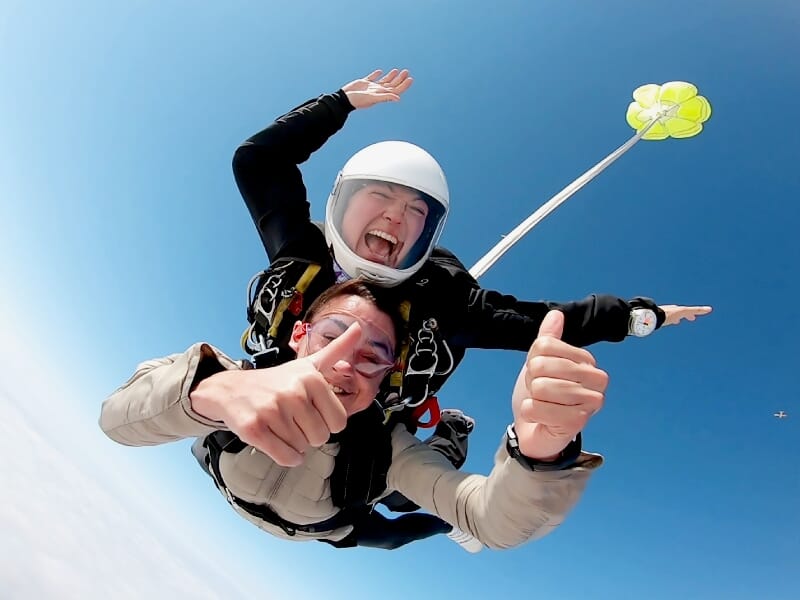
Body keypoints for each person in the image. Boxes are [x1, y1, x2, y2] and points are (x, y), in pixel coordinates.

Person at [229, 68, 711, 548]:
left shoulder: (445, 308)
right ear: (341, 201)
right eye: (380, 194)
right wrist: (337, 104)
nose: (395, 215)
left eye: (416, 212)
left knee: (401, 510)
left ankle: (451, 437)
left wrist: (639, 316)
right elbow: (258, 160)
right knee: (385, 525)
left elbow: (544, 324)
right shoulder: (301, 257)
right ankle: (442, 469)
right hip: (277, 475)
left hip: (359, 455)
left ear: (427, 236)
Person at [100, 279, 608, 550]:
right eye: (333, 335)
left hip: (329, 526)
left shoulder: (386, 449)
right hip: (241, 486)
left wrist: (541, 454)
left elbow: (491, 521)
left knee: (407, 528)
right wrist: (210, 392)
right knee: (394, 528)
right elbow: (117, 419)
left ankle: (451, 435)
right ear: (298, 335)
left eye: (373, 355)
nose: (344, 362)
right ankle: (449, 436)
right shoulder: (235, 384)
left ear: (386, 375)